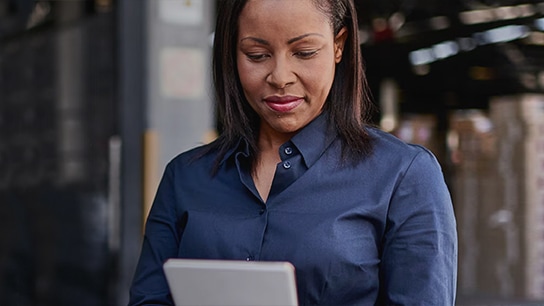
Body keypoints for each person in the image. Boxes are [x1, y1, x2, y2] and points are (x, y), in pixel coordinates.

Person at [128, 0, 458, 305]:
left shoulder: (404, 176)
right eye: (257, 55)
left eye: (304, 52)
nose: (280, 77)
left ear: (339, 46)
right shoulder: (185, 177)